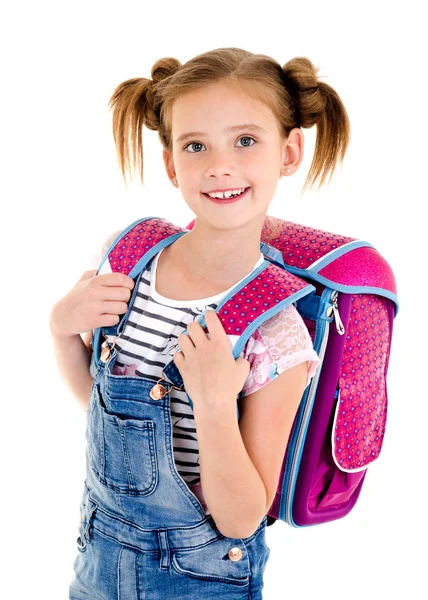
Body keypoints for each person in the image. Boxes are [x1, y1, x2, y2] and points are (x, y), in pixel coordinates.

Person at [50, 46, 350, 599]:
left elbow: (241, 518)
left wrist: (214, 404)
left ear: (288, 152)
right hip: (97, 562)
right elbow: (98, 402)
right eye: (195, 145)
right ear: (170, 163)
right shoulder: (130, 261)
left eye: (245, 140)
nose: (219, 165)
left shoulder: (275, 331)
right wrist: (63, 330)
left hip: (201, 579)